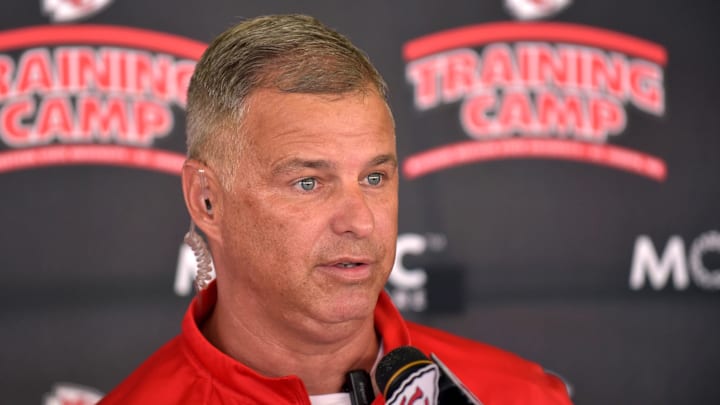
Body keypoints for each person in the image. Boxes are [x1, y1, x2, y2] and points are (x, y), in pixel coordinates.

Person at [99, 14, 573, 405]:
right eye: (308, 182)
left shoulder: (520, 394)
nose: (360, 220)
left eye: (374, 178)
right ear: (207, 200)